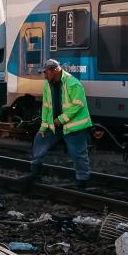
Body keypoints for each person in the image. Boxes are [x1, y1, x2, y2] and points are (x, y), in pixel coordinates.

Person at [20, 59, 93, 190]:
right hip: (54, 125)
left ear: (55, 70)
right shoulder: (48, 85)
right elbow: (46, 107)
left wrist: (61, 119)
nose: (45, 75)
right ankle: (34, 172)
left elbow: (78, 105)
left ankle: (82, 182)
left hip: (73, 126)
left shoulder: (73, 83)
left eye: (46, 72)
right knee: (39, 141)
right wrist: (43, 127)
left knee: (78, 154)